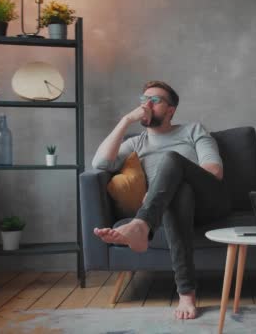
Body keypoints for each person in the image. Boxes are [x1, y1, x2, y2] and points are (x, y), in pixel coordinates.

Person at [92, 80, 231, 320]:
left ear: (171, 110)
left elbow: (214, 170)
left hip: (210, 201)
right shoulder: (136, 143)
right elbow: (100, 164)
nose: (146, 105)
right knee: (180, 195)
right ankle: (186, 293)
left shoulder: (192, 130)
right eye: (143, 99)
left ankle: (141, 225)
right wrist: (126, 120)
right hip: (172, 206)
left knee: (172, 160)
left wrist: (161, 187)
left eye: (154, 100)